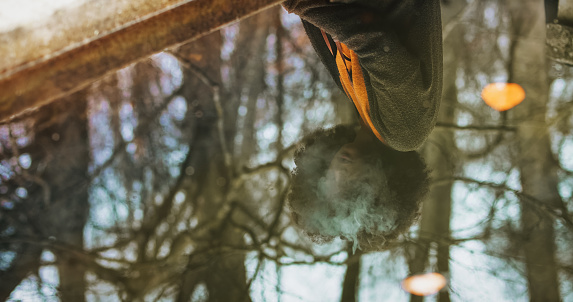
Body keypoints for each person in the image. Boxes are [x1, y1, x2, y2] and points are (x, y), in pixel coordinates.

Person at [283, 0, 443, 251]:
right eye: (351, 190)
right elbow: (373, 40)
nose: (339, 175)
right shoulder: (405, 132)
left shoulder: (363, 112)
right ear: (384, 188)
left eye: (329, 185)